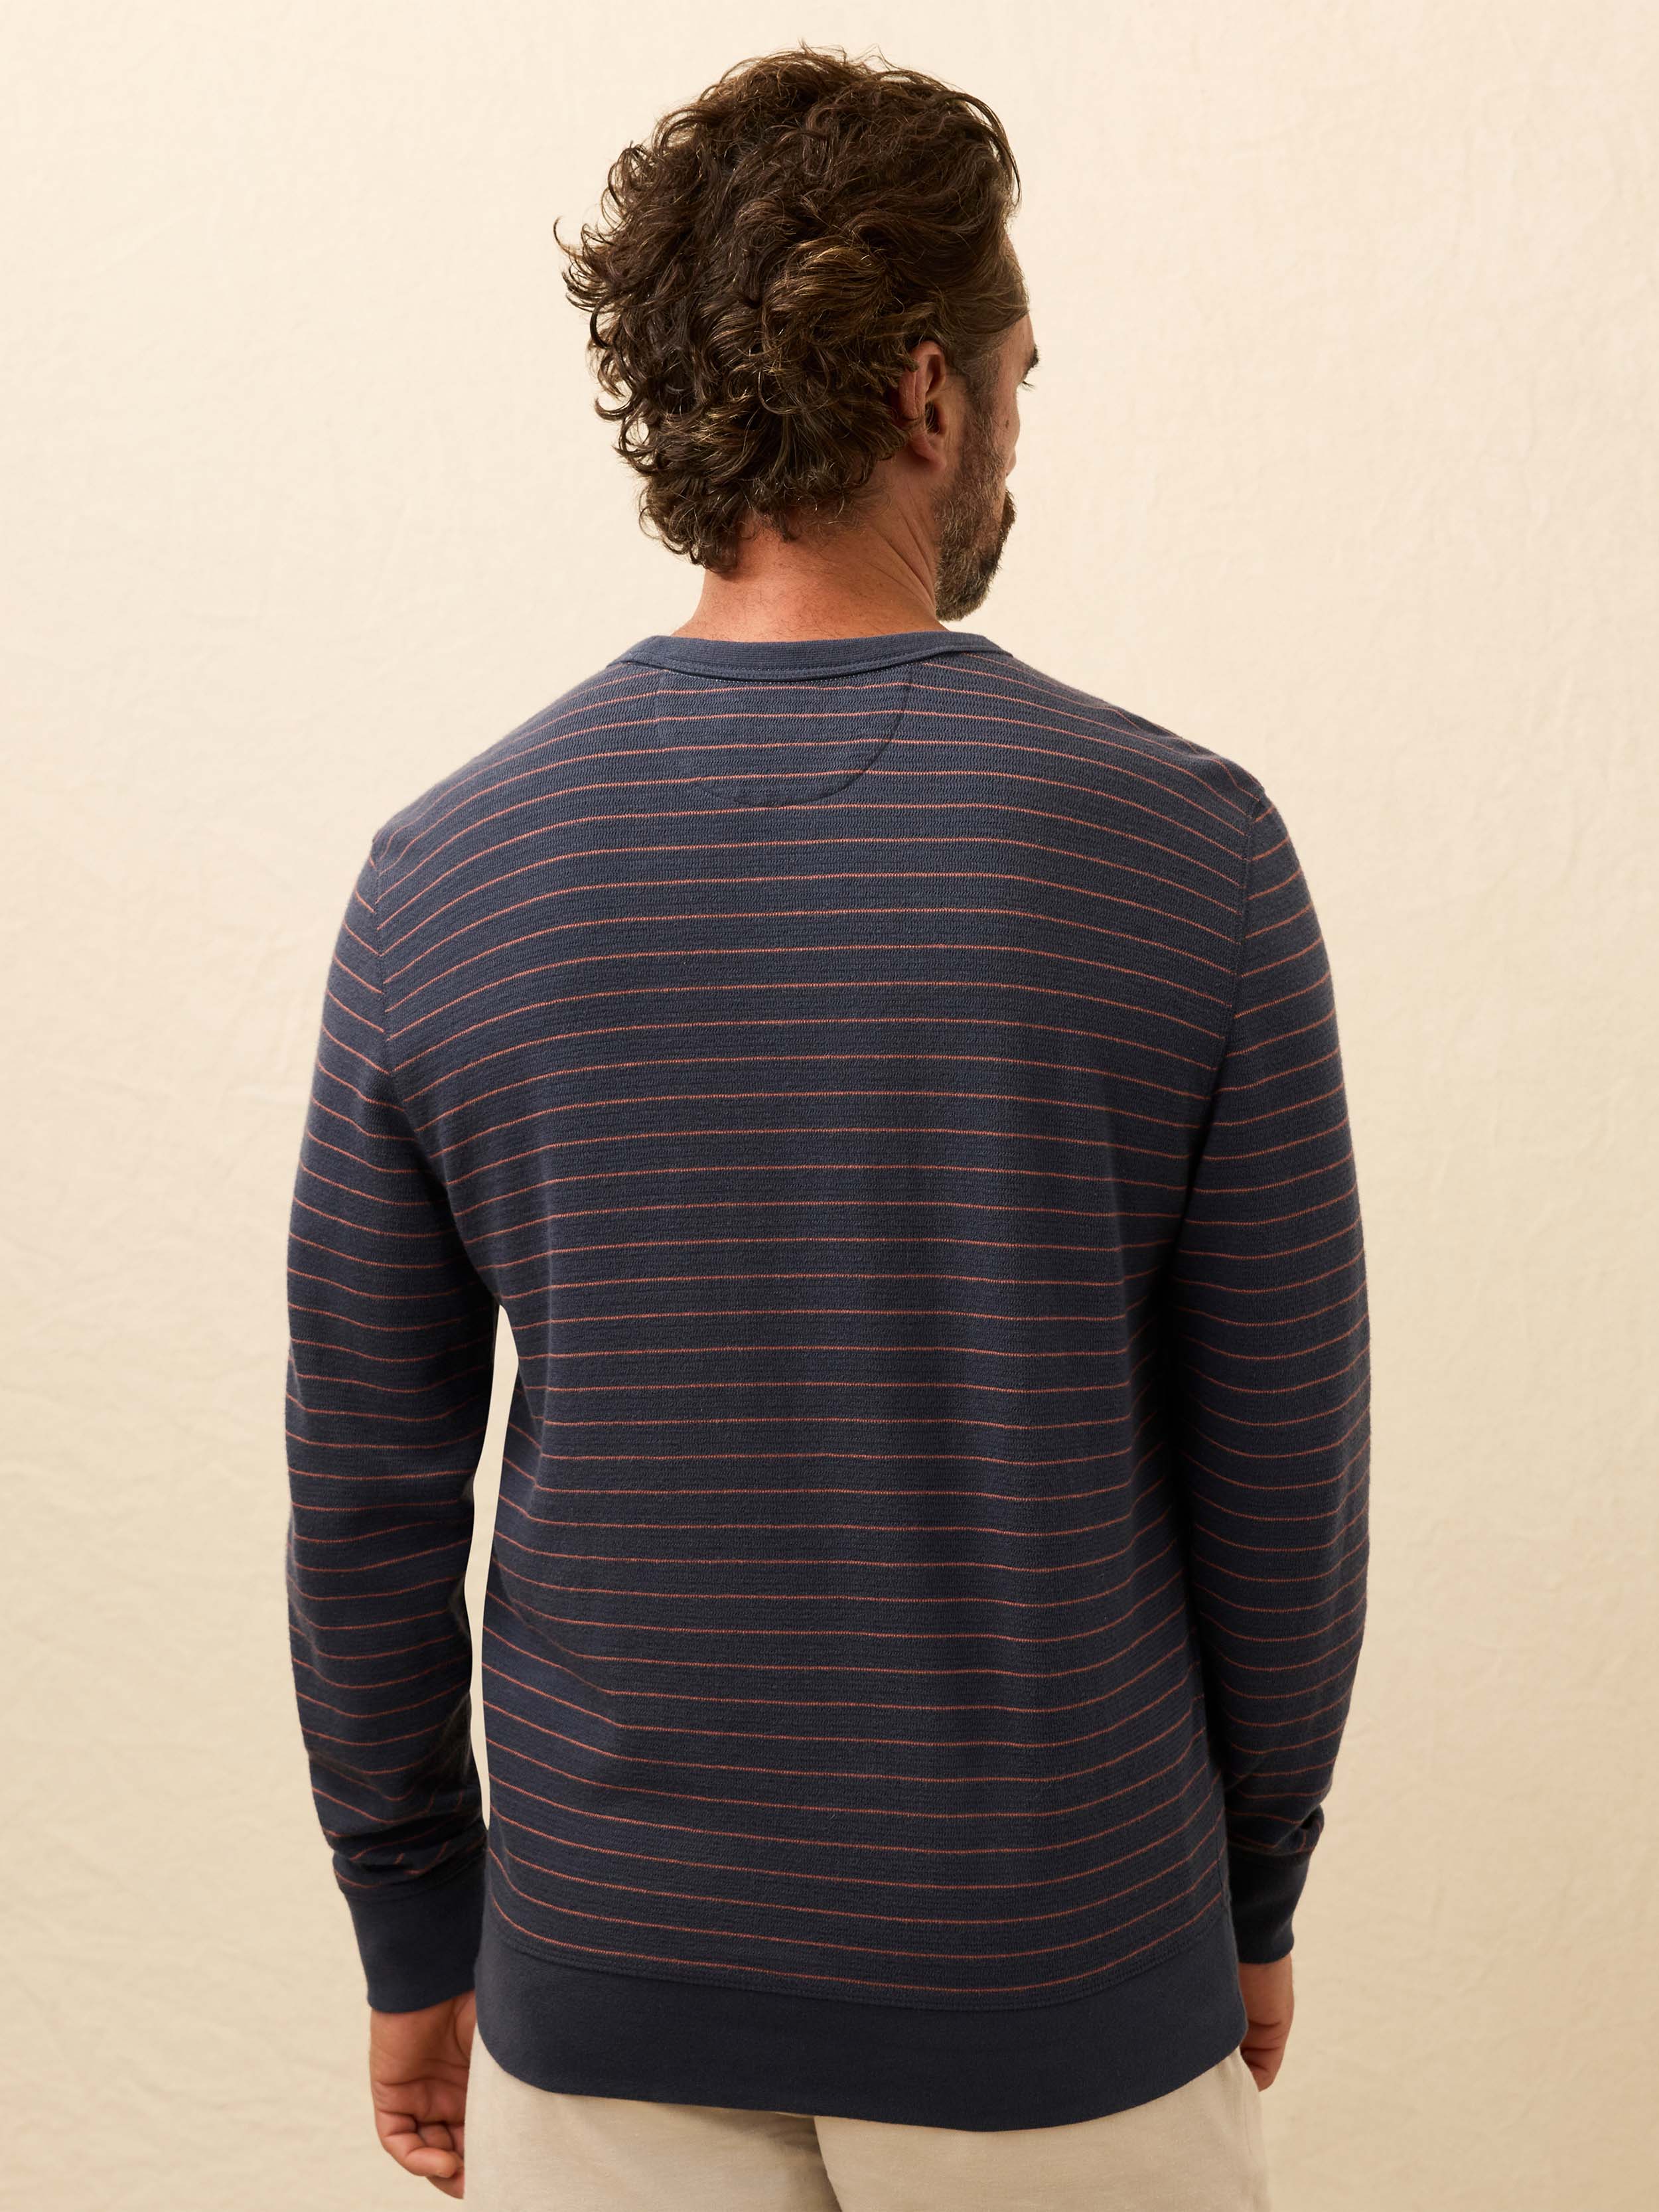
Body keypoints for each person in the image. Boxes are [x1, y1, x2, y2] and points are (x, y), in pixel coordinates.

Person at [283, 43, 1370, 2211]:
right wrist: (1249, 1888)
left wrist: (417, 1920)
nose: (1011, 436)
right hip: (1066, 1983)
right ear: (926, 393)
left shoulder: (449, 872)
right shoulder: (1182, 852)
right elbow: (1280, 1469)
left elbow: (367, 1494)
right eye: (1018, 377)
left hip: (599, 1998)